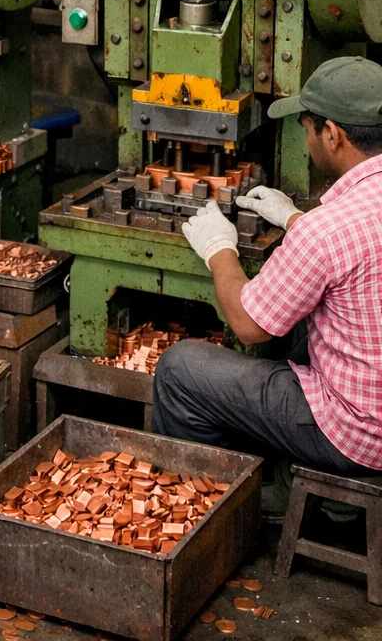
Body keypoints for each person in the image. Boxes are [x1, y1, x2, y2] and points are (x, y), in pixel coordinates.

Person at [154, 55, 382, 486]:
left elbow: (249, 325)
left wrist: (219, 249)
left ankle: (207, 511)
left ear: (332, 134)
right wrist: (294, 218)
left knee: (180, 369)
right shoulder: (332, 225)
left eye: (308, 128)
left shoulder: (326, 231)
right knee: (303, 330)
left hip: (360, 436)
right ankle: (327, 507)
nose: (308, 139)